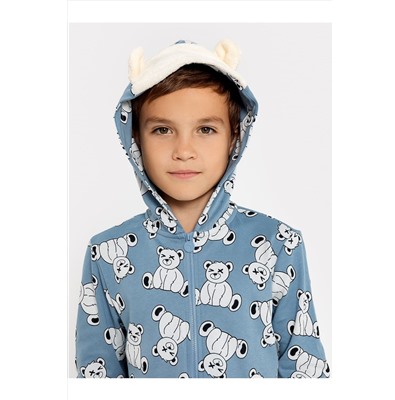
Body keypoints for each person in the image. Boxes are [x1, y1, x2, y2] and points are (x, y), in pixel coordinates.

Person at [75, 39, 330, 379]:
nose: (184, 150)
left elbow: (305, 370)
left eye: (205, 129)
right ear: (136, 140)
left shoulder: (279, 244)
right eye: (162, 130)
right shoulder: (107, 253)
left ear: (234, 137)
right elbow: (97, 373)